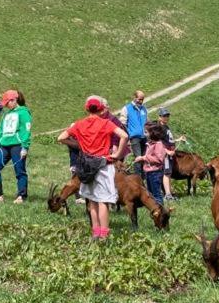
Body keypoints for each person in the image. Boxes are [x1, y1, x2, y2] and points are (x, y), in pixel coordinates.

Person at [58, 96, 129, 240]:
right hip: (103, 164)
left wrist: (80, 146)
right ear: (101, 109)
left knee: (92, 200)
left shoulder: (79, 124)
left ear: (86, 109)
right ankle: (104, 234)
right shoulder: (106, 123)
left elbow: (61, 138)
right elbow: (124, 136)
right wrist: (117, 154)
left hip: (86, 165)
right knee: (103, 200)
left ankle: (95, 233)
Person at [0, 89, 32, 204]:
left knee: (19, 171)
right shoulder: (6, 114)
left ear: (14, 100)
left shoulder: (24, 113)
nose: (7, 105)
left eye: (8, 102)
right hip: (4, 146)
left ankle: (21, 196)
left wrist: (25, 147)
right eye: (5, 103)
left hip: (17, 146)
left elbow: (26, 131)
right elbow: (1, 130)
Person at [155, 107, 186, 201]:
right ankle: (168, 195)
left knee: (168, 173)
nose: (166, 117)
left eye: (167, 115)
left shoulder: (166, 127)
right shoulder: (160, 128)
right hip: (166, 154)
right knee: (166, 173)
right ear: (159, 117)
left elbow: (169, 140)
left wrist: (178, 140)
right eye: (164, 116)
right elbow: (158, 141)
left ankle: (169, 193)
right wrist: (166, 151)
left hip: (170, 153)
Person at [135, 121, 168, 207]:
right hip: (149, 172)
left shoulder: (158, 144)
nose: (144, 134)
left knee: (156, 194)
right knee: (151, 193)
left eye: (146, 132)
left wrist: (143, 158)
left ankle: (160, 210)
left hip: (155, 173)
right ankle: (155, 208)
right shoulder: (149, 144)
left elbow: (159, 159)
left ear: (152, 133)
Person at [123, 90, 149, 176]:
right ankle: (138, 178)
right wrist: (128, 137)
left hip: (144, 137)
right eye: (139, 99)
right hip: (134, 137)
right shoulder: (127, 108)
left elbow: (147, 121)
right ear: (134, 97)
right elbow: (123, 124)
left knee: (145, 157)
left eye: (142, 99)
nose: (141, 101)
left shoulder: (144, 109)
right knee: (138, 158)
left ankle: (145, 177)